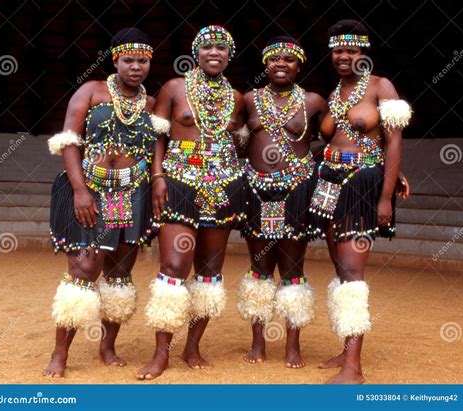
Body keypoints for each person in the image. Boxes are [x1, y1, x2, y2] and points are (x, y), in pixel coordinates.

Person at [43, 28, 156, 378]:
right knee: (84, 271)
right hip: (91, 190)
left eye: (142, 61)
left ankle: (107, 346)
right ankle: (60, 354)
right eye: (128, 60)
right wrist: (80, 189)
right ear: (115, 61)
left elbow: (156, 153)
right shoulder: (92, 91)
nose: (135, 67)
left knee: (120, 275)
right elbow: (69, 140)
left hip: (132, 192)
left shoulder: (151, 105)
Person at [137, 25, 247, 380]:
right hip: (180, 182)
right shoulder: (174, 88)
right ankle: (160, 354)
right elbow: (158, 136)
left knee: (211, 273)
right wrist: (157, 178)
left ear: (229, 56)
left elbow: (245, 143)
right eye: (208, 48)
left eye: (222, 49)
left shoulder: (237, 97)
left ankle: (193, 346)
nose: (215, 53)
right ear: (196, 54)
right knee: (173, 266)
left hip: (224, 185)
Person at [312, 19, 412, 384]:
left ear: (363, 53)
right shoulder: (335, 91)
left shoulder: (381, 86)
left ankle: (354, 368)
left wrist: (385, 196)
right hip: (328, 182)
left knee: (353, 273)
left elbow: (394, 142)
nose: (344, 56)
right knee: (341, 270)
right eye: (338, 49)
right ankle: (345, 349)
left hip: (362, 185)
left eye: (352, 50)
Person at [237, 36, 328, 368]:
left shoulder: (315, 101)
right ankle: (258, 342)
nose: (280, 64)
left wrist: (308, 162)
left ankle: (292, 346)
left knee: (292, 270)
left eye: (288, 59)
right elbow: (230, 138)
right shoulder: (247, 100)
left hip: (296, 193)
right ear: (265, 65)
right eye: (274, 59)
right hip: (258, 192)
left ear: (299, 65)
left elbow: (338, 137)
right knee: (260, 268)